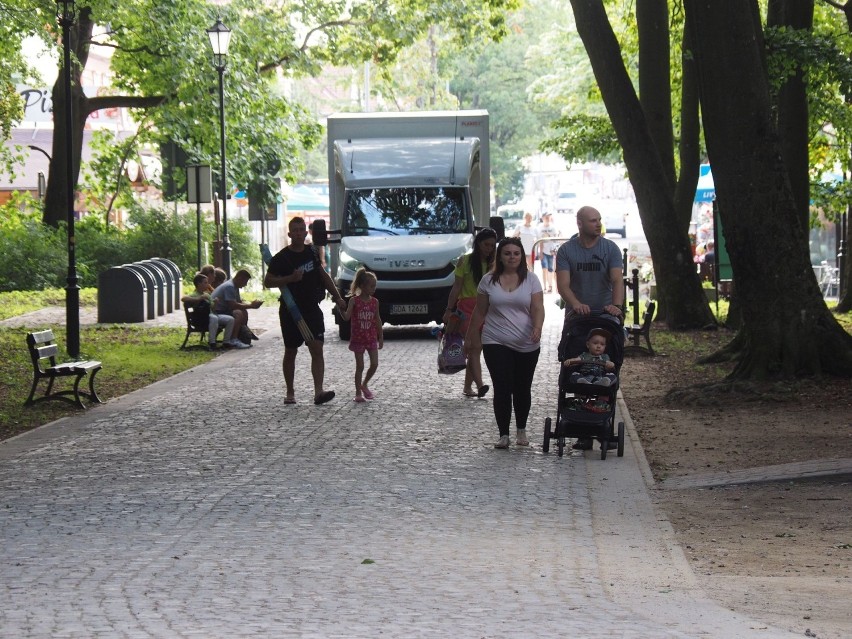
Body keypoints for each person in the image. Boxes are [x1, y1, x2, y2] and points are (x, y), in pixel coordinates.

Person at [464, 237, 545, 449]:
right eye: (507, 253)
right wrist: (471, 335)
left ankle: (521, 429)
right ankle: (503, 434)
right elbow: (480, 311)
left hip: (527, 342)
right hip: (495, 339)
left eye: (516, 253)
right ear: (500, 256)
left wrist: (537, 327)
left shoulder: (531, 280)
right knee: (502, 386)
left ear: (521, 256)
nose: (512, 257)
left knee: (522, 387)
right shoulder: (488, 280)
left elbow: (538, 307)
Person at [555, 205, 624, 449]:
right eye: (593, 220)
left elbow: (617, 278)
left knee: (606, 367)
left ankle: (602, 420)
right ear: (580, 224)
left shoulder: (610, 249)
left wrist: (616, 306)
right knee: (579, 366)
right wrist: (575, 304)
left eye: (600, 219)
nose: (598, 224)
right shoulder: (566, 251)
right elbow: (563, 284)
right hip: (578, 319)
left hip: (605, 316)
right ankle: (582, 423)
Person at [264, 216, 347, 405]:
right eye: (296, 230)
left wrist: (337, 296)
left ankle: (319, 392)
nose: (299, 233)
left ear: (306, 232)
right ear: (290, 234)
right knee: (291, 351)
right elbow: (268, 282)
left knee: (316, 348)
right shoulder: (281, 258)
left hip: (312, 308)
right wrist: (289, 279)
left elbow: (323, 276)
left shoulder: (311, 252)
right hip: (291, 311)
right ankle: (290, 392)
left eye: (302, 230)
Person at [442, 227, 497, 399]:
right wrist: (449, 309)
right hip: (467, 309)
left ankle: (468, 387)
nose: (489, 248)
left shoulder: (494, 264)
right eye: (486, 245)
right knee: (475, 347)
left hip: (487, 309)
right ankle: (480, 385)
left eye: (492, 246)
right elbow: (456, 288)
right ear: (478, 243)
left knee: (475, 350)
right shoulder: (464, 261)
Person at [342, 268, 383, 402]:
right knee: (360, 366)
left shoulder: (375, 302)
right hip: (358, 339)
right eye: (371, 286)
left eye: (374, 286)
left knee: (375, 364)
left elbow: (377, 319)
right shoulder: (354, 301)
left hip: (371, 338)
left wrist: (380, 337)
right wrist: (340, 309)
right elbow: (347, 317)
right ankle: (358, 393)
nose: (374, 289)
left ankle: (364, 384)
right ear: (362, 286)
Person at [180, 272, 241, 349]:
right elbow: (183, 299)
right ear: (199, 284)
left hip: (212, 314)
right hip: (202, 318)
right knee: (214, 318)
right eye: (205, 283)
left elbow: (213, 308)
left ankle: (226, 342)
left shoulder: (207, 295)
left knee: (230, 319)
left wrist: (215, 302)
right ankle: (212, 343)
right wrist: (198, 299)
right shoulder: (195, 294)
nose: (208, 284)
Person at [211, 269, 263, 346]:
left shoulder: (234, 286)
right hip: (216, 311)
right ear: (240, 278)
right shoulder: (229, 286)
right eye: (245, 282)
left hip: (222, 310)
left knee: (243, 311)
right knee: (238, 313)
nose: (245, 285)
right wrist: (251, 306)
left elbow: (239, 302)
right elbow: (233, 305)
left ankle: (243, 332)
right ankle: (233, 339)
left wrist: (251, 304)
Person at [537, 212, 560, 293]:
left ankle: (550, 286)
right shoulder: (540, 228)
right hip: (543, 251)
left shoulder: (553, 228)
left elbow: (556, 240)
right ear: (542, 218)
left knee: (551, 269)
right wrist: (540, 253)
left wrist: (554, 250)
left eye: (548, 217)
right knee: (544, 269)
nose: (547, 218)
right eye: (546, 217)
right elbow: (540, 241)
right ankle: (545, 286)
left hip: (551, 251)